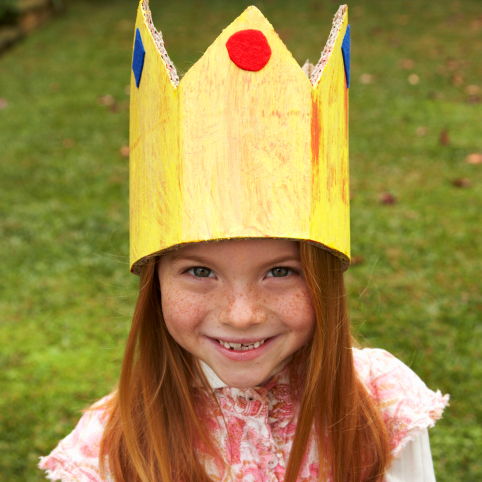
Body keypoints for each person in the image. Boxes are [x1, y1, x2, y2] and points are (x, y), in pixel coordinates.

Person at [39, 1, 448, 481]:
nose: (241, 315)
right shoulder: (111, 449)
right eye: (199, 271)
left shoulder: (377, 403)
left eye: (280, 271)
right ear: (156, 283)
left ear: (322, 278)